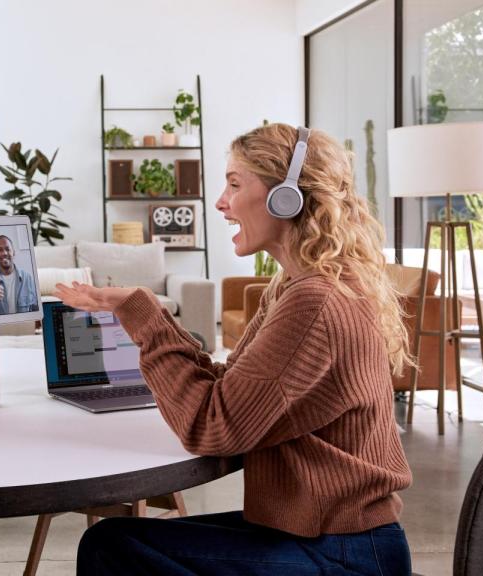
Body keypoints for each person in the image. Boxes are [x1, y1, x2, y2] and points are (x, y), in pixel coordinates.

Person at [56, 123, 413, 575]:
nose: (222, 203)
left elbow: (212, 425)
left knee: (111, 547)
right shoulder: (295, 287)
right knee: (114, 541)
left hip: (345, 551)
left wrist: (146, 319)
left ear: (287, 197)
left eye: (234, 184)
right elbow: (229, 391)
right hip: (327, 534)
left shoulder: (315, 301)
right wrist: (145, 314)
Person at [0, 234, 39, 316]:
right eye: (0, 250)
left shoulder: (28, 279)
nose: (4, 253)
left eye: (7, 249)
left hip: (23, 326)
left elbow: (36, 310)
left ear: (13, 252)